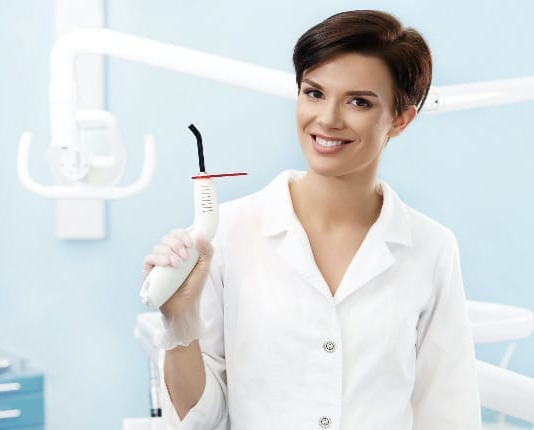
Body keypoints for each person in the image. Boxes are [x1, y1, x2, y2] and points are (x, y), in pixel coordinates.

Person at [142, 10, 482, 430]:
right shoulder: (229, 234)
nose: (328, 119)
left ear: (401, 118)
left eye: (359, 101)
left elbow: (448, 412)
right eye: (314, 93)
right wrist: (180, 321)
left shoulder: (431, 248)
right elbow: (201, 420)